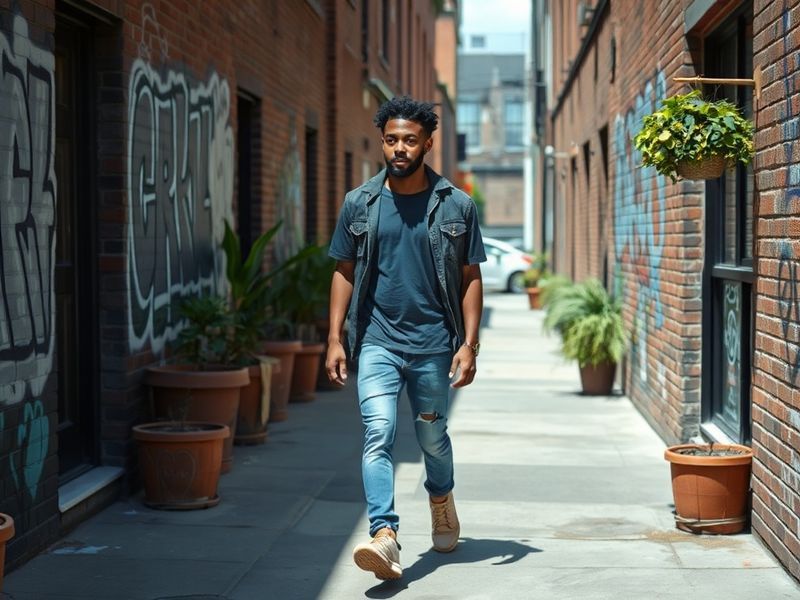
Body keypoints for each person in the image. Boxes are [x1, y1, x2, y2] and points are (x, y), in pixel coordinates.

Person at [326, 96, 486, 580]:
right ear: (382, 142)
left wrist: (470, 344)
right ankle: (385, 535)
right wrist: (334, 337)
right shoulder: (360, 202)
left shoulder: (456, 204)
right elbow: (344, 270)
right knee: (378, 433)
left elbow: (470, 276)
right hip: (376, 340)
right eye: (392, 139)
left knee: (431, 435)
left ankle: (440, 499)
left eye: (410, 140)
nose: (399, 148)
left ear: (428, 144)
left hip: (435, 343)